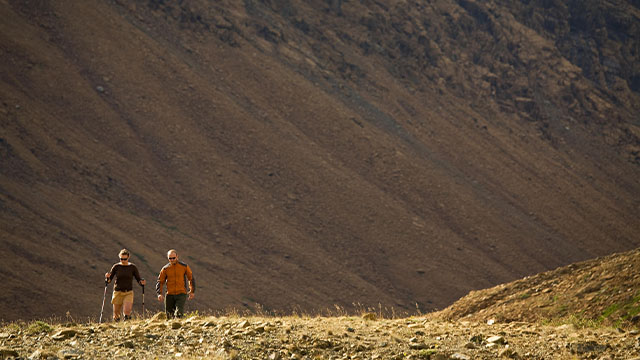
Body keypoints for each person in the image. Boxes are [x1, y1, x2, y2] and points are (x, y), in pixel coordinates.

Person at [105, 249, 146, 321]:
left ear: (128, 258)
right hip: (117, 292)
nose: (123, 261)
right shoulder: (116, 267)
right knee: (116, 314)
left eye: (125, 259)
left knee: (127, 311)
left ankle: (126, 326)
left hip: (128, 292)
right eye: (121, 259)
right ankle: (118, 327)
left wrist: (141, 282)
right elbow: (109, 280)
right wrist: (107, 278)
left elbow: (138, 279)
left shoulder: (132, 267)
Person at [156, 249, 195, 318]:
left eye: (173, 258)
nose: (172, 260)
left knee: (179, 313)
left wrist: (192, 291)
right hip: (169, 295)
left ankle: (180, 327)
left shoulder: (184, 266)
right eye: (170, 258)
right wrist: (159, 293)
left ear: (177, 257)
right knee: (169, 316)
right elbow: (160, 281)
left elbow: (191, 278)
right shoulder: (165, 269)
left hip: (181, 293)